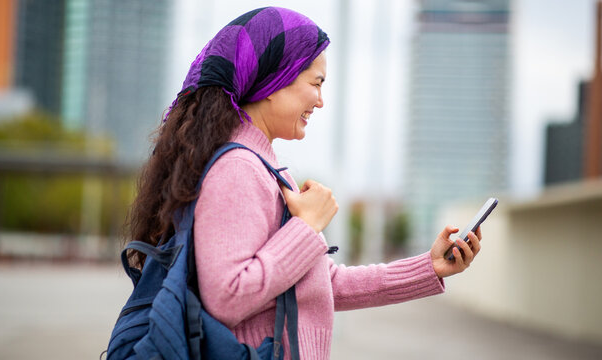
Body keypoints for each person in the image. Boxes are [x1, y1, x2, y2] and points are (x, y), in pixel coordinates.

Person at [127, 7, 482, 360]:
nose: (321, 100)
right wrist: (306, 226)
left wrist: (428, 267)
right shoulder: (238, 168)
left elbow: (320, 285)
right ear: (273, 80)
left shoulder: (264, 167)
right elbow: (227, 297)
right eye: (316, 83)